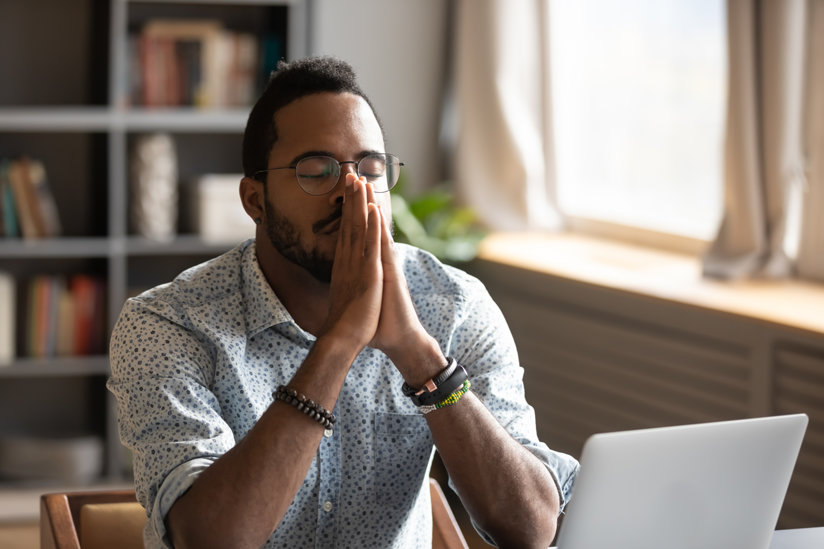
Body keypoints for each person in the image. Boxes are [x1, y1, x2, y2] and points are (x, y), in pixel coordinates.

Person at [108, 56, 579, 549]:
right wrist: (339, 343)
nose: (352, 192)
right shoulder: (167, 324)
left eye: (371, 169)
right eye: (317, 171)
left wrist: (419, 356)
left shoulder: (452, 304)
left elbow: (531, 529)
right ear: (255, 200)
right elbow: (209, 542)